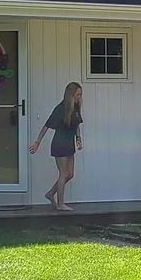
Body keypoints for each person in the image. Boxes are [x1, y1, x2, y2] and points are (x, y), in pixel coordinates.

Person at [27, 82, 86, 212]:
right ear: (70, 95)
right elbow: (46, 126)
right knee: (63, 173)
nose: (79, 97)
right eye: (77, 95)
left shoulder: (76, 107)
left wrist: (78, 139)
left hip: (69, 144)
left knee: (70, 174)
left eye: (80, 94)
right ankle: (60, 204)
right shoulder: (61, 108)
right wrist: (37, 142)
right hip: (60, 143)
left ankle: (50, 194)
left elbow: (76, 125)